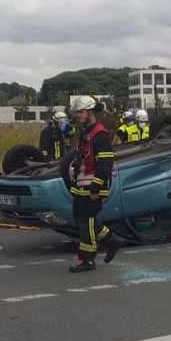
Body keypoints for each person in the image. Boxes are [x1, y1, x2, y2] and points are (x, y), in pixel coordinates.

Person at [68, 96, 125, 273]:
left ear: (90, 112)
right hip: (80, 185)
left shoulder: (100, 135)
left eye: (81, 112)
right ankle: (111, 240)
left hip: (92, 186)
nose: (78, 115)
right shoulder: (84, 133)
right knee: (81, 218)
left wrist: (96, 188)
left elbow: (105, 164)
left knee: (87, 222)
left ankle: (87, 260)